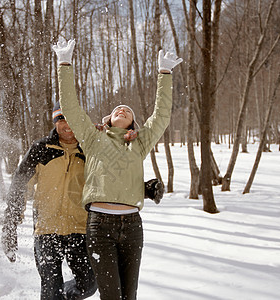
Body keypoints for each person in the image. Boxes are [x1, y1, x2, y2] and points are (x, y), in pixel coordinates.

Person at [52, 38, 182, 300]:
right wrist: (64, 64)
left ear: (132, 123)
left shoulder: (139, 143)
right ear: (108, 120)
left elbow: (162, 116)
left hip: (133, 226)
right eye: (116, 109)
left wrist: (164, 73)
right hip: (100, 225)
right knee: (111, 296)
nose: (122, 109)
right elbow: (71, 109)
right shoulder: (92, 138)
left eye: (127, 110)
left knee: (129, 296)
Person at [1, 102, 97, 300]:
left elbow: (111, 179)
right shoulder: (41, 149)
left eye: (71, 117)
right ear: (55, 122)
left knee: (89, 284)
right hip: (46, 231)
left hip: (79, 230)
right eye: (61, 118)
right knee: (51, 288)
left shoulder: (90, 151)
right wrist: (10, 225)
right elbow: (20, 185)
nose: (67, 123)